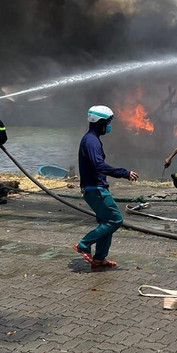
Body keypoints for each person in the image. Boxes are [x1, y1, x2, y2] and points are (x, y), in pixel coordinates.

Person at [74, 105, 139, 269]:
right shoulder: (91, 141)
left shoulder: (92, 139)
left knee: (106, 222)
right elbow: (99, 165)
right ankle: (83, 244)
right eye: (108, 122)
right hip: (95, 190)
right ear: (100, 122)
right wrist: (124, 173)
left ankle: (99, 258)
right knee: (116, 219)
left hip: (96, 188)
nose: (109, 126)